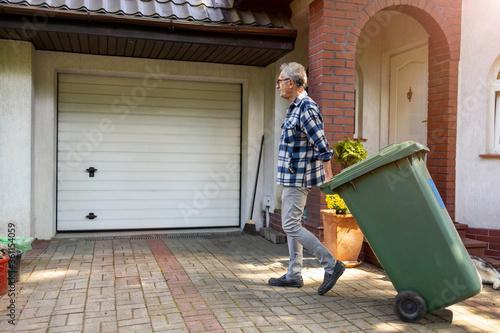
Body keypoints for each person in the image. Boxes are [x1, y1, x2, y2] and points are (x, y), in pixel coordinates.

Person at [268, 62, 345, 295]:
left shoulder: (306, 108)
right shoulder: (294, 107)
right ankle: (293, 274)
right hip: (289, 177)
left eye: (280, 81)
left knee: (290, 225)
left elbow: (322, 146)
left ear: (291, 83)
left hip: (297, 179)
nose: (278, 85)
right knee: (294, 225)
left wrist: (328, 177)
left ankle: (331, 264)